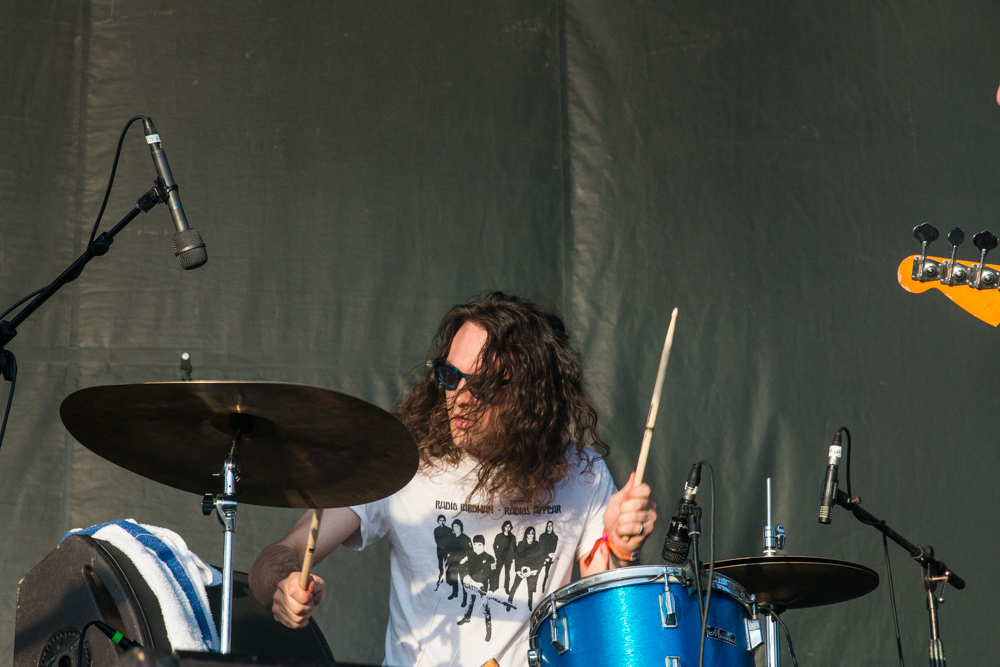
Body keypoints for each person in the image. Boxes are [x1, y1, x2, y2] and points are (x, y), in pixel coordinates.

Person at [248, 292, 657, 667]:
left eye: (480, 385)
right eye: (449, 376)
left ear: (531, 395)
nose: (459, 396)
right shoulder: (402, 461)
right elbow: (280, 555)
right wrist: (283, 586)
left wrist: (622, 548)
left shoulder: (580, 473)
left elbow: (602, 599)